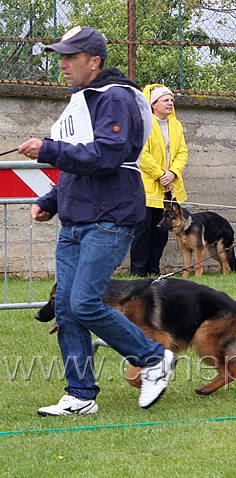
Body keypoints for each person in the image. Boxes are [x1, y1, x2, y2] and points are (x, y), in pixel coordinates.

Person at [17, 26, 175, 415]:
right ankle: (81, 395)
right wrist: (51, 200)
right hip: (76, 219)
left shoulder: (115, 98)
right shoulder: (84, 100)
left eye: (70, 57)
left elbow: (106, 156)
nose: (63, 64)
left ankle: (154, 358)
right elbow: (78, 163)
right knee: (68, 308)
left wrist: (48, 149)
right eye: (61, 56)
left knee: (85, 303)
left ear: (95, 61)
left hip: (109, 217)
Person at [129, 84, 188, 277]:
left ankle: (154, 270)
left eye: (171, 100)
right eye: (165, 100)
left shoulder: (176, 125)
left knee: (161, 232)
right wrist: (160, 174)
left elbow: (182, 152)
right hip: (147, 188)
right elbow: (141, 153)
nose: (170, 103)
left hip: (169, 188)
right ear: (153, 104)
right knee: (142, 232)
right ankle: (138, 271)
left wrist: (173, 173)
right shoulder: (143, 123)